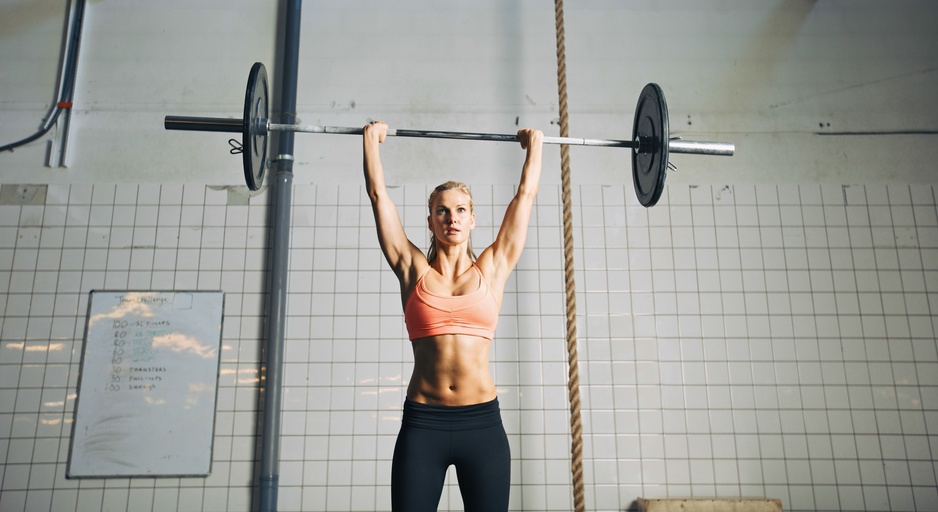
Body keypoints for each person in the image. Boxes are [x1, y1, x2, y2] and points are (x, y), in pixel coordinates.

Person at [362, 120, 543, 512]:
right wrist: (371, 142)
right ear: (430, 221)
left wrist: (535, 147)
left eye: (461, 210)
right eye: (442, 211)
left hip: (482, 427)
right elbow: (379, 197)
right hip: (423, 424)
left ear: (473, 218)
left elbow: (525, 196)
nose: (452, 218)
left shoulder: (492, 268)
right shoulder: (412, 270)